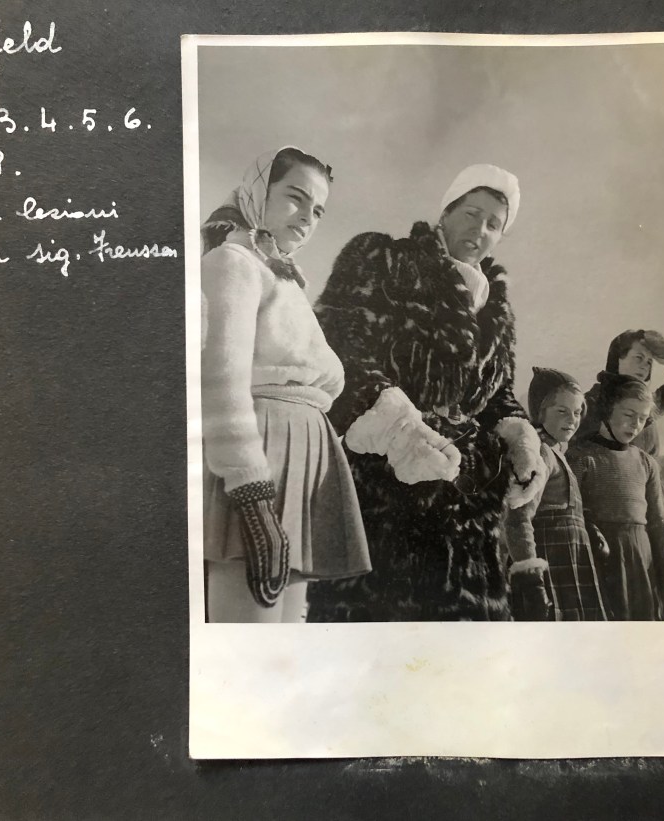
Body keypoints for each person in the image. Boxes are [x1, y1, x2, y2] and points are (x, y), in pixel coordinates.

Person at [306, 164, 546, 622]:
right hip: (384, 486)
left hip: (468, 502)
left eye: (494, 224)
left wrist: (520, 439)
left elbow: (498, 394)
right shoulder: (383, 259)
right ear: (446, 212)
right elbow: (339, 347)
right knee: (375, 631)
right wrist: (399, 432)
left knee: (463, 643)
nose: (480, 229)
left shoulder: (496, 305)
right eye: (471, 213)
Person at [200, 146, 371, 623]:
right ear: (260, 193)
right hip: (262, 460)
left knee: (286, 635)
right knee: (250, 633)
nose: (307, 217)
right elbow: (222, 384)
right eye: (296, 197)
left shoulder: (287, 279)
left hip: (302, 460)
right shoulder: (233, 262)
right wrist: (251, 492)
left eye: (318, 210)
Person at [575, 329, 664, 620]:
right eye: (638, 358)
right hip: (615, 528)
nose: (645, 366)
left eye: (649, 361)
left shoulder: (647, 403)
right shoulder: (590, 404)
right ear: (617, 359)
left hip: (657, 521)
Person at [567, 373, 664, 621]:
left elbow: (660, 526)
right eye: (629, 415)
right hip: (597, 566)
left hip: (641, 569)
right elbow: (569, 518)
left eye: (642, 418)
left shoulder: (646, 464)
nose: (636, 425)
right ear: (608, 409)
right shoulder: (580, 458)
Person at [504, 368, 609, 621]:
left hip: (569, 558)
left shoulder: (557, 452)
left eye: (577, 412)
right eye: (562, 411)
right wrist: (531, 579)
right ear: (540, 412)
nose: (572, 420)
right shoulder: (538, 453)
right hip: (551, 561)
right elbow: (518, 517)